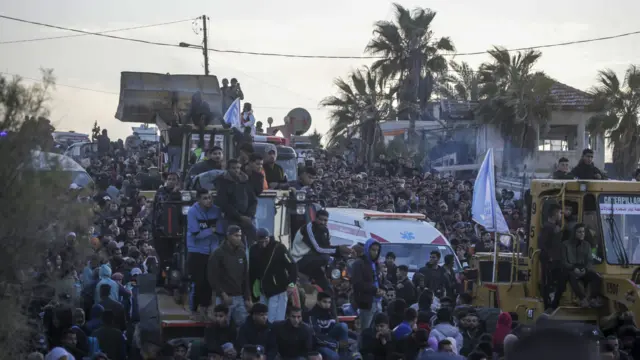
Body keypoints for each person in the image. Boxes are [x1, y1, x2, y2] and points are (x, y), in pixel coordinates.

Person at [291, 209, 351, 310]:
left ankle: (332, 312)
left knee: (328, 289)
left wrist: (344, 252)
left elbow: (327, 247)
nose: (323, 222)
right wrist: (339, 250)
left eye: (325, 220)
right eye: (320, 220)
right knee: (325, 257)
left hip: (313, 261)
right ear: (315, 219)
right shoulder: (308, 228)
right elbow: (318, 249)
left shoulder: (325, 230)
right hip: (300, 259)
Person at [186, 188, 223, 320]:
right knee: (198, 281)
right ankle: (194, 310)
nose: (208, 201)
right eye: (205, 198)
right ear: (198, 200)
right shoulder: (192, 212)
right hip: (196, 251)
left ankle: (206, 308)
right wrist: (211, 230)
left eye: (210, 198)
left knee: (209, 281)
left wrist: (208, 231)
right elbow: (196, 235)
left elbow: (220, 230)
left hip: (212, 251)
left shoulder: (216, 210)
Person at [249, 228, 297, 323]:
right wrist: (252, 294)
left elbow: (293, 266)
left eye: (265, 240)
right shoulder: (253, 250)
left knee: (276, 321)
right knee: (263, 321)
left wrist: (291, 285)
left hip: (278, 290)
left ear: (268, 237)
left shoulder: (279, 248)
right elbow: (252, 272)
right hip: (263, 291)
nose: (263, 243)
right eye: (260, 241)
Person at [208, 225, 252, 327]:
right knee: (222, 326)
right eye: (236, 236)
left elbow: (245, 277)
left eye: (240, 236)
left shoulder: (241, 253)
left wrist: (247, 298)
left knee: (243, 326)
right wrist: (222, 294)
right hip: (224, 298)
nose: (238, 238)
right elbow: (212, 277)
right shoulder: (218, 253)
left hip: (239, 297)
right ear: (228, 236)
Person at [216, 158, 258, 247]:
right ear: (228, 169)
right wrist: (239, 217)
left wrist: (249, 215)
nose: (236, 170)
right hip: (232, 220)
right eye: (233, 168)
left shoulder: (245, 181)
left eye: (238, 168)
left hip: (247, 218)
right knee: (237, 244)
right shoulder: (223, 182)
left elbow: (253, 200)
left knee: (256, 241)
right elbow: (224, 203)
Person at [563, 223, 601, 307]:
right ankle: (582, 299)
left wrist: (586, 269)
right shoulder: (566, 245)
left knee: (596, 276)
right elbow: (564, 262)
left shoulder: (586, 245)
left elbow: (590, 260)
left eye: (583, 232)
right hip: (571, 269)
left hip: (583, 269)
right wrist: (573, 268)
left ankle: (592, 299)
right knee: (571, 276)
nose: (582, 234)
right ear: (574, 233)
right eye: (579, 232)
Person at [305, 292, 350, 360]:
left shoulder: (330, 312)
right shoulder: (311, 315)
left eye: (329, 302)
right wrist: (335, 344)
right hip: (319, 345)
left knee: (343, 326)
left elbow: (337, 329)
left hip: (331, 340)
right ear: (318, 301)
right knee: (334, 357)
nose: (327, 304)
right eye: (325, 302)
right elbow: (316, 336)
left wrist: (355, 336)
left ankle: (344, 355)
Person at [351, 238, 383, 330]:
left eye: (377, 250)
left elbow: (379, 280)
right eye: (373, 250)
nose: (375, 253)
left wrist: (383, 289)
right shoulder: (359, 263)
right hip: (366, 303)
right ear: (367, 249)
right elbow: (358, 283)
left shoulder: (376, 264)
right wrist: (374, 290)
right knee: (365, 331)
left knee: (377, 330)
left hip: (378, 301)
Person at [540, 203, 565, 309]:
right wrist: (550, 257)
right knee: (549, 283)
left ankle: (554, 303)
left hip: (556, 260)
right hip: (551, 261)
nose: (561, 215)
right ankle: (549, 305)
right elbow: (542, 244)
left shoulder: (556, 227)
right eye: (560, 212)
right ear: (554, 214)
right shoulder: (548, 228)